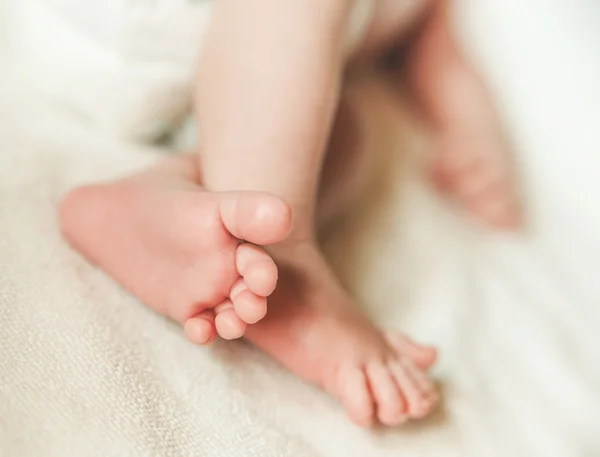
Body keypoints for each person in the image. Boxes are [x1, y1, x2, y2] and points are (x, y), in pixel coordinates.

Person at [59, 0, 519, 427]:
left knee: (351, 133)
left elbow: (441, 55)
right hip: (141, 22)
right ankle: (285, 261)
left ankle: (173, 202)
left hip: (204, 98)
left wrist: (474, 132)